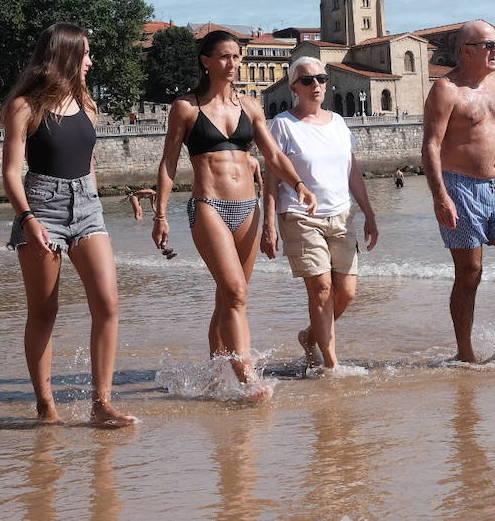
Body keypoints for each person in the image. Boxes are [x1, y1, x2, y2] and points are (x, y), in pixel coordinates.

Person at [153, 29, 316, 397]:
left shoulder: (251, 106)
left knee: (228, 297)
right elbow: (168, 163)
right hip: (208, 205)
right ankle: (247, 378)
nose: (233, 64)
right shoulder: (187, 107)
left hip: (248, 208)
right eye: (225, 57)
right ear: (206, 61)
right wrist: (160, 214)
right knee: (236, 292)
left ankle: (215, 375)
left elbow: (274, 155)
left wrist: (299, 185)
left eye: (237, 57)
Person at [1, 22, 135, 427]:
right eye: (87, 54)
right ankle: (46, 406)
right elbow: (10, 172)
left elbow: (89, 162)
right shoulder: (24, 107)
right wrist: (28, 220)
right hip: (42, 207)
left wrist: (98, 203)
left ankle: (102, 403)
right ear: (66, 57)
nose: (91, 62)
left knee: (108, 304)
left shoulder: (88, 105)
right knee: (44, 311)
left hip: (88, 208)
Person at [422, 20, 495, 364]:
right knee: (470, 273)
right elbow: (431, 144)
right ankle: (465, 352)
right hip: (460, 188)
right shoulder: (446, 89)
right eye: (489, 45)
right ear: (466, 51)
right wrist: (440, 196)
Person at [262, 57, 380, 371]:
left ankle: (310, 336)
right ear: (293, 87)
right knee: (322, 288)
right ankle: (331, 365)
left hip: (342, 216)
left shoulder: (339, 122)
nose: (316, 85)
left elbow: (352, 171)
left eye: (321, 78)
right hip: (300, 216)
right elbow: (271, 177)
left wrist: (369, 213)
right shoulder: (283, 125)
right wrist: (269, 224)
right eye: (307, 80)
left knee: (347, 292)